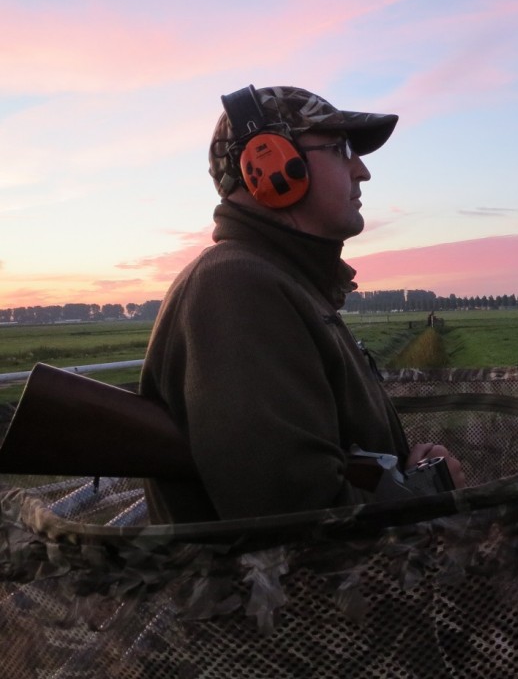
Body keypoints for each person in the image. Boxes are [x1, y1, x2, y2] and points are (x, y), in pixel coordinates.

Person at [140, 84, 463, 524]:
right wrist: (424, 490)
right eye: (341, 148)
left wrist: (404, 473)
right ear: (270, 160)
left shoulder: (286, 282)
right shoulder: (236, 286)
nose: (361, 170)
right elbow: (294, 517)